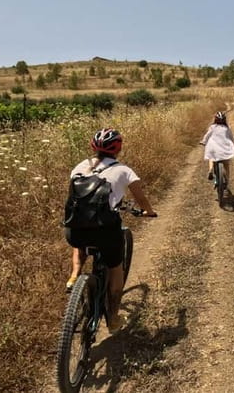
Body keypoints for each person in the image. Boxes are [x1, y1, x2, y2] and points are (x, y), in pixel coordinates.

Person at [64, 128, 157, 332]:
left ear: (92, 146)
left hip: (74, 228)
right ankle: (113, 319)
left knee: (79, 240)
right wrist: (148, 211)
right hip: (106, 230)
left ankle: (74, 275)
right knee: (116, 269)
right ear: (118, 148)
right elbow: (141, 199)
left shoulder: (78, 167)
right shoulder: (124, 170)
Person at [199, 111, 234, 185]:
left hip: (213, 146)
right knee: (226, 164)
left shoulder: (212, 127)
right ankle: (227, 180)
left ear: (215, 120)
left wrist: (203, 141)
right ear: (224, 120)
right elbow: (231, 137)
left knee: (211, 156)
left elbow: (207, 135)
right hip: (224, 147)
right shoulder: (227, 128)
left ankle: (210, 169)